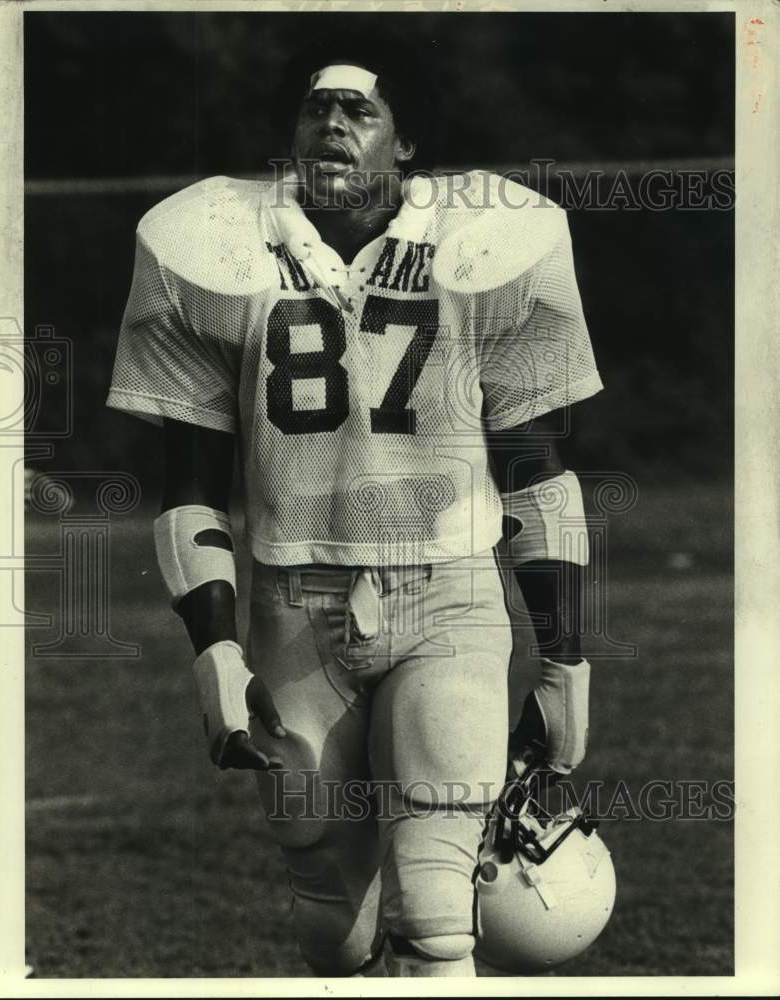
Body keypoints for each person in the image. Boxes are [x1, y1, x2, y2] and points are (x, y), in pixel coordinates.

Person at [106, 34, 602, 978]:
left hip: (447, 596)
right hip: (292, 604)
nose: (329, 124)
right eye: (313, 108)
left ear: (405, 143)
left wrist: (565, 658)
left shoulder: (487, 243)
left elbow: (536, 472)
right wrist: (212, 649)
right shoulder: (211, 245)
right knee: (330, 921)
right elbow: (191, 486)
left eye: (356, 110)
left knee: (435, 914)